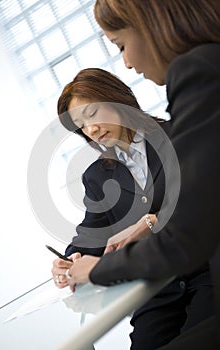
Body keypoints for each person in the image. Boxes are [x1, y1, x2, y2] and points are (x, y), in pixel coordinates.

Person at [64, 1, 220, 349]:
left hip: (202, 272)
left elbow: (193, 219)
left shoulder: (182, 129)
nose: (90, 130)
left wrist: (149, 224)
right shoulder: (97, 176)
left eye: (91, 115)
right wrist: (71, 257)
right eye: (81, 127)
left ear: (116, 99)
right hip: (155, 290)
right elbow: (92, 232)